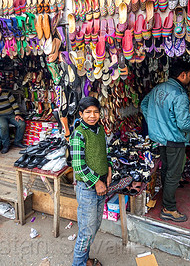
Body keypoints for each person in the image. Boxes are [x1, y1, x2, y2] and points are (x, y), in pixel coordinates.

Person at [141, 59, 190, 222]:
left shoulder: (158, 88)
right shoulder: (180, 95)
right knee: (174, 174)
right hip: (174, 140)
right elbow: (183, 124)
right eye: (189, 75)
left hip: (160, 139)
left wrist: (154, 123)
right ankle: (169, 208)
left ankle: (166, 200)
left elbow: (143, 105)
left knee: (167, 170)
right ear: (182, 75)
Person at [69, 96, 111, 266]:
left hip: (101, 184)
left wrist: (109, 170)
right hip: (87, 189)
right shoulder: (78, 133)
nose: (92, 115)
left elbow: (105, 153)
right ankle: (78, 264)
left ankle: (85, 260)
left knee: (94, 227)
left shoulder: (100, 130)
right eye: (88, 112)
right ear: (81, 114)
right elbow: (78, 166)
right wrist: (96, 182)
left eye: (95, 112)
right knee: (86, 232)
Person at [0, 78, 25, 154]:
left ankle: (17, 142)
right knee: (3, 126)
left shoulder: (7, 93)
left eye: (0, 87)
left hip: (10, 114)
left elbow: (14, 104)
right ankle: (6, 145)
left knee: (21, 123)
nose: (0, 89)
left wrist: (17, 114)